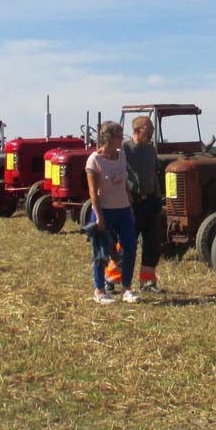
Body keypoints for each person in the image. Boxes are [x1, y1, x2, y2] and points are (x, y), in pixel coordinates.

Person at [84, 120, 137, 304]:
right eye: (119, 136)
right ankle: (99, 290)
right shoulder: (94, 160)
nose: (122, 139)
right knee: (101, 251)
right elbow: (92, 191)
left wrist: (130, 203)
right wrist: (99, 217)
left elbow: (124, 182)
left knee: (130, 246)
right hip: (104, 210)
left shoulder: (121, 156)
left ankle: (126, 288)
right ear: (108, 138)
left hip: (123, 209)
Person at [124, 113, 165, 292]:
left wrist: (157, 198)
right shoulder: (124, 150)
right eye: (149, 129)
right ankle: (112, 280)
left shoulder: (150, 150)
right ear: (137, 130)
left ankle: (148, 282)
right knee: (126, 243)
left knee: (151, 244)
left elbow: (154, 174)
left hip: (149, 204)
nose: (152, 132)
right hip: (131, 204)